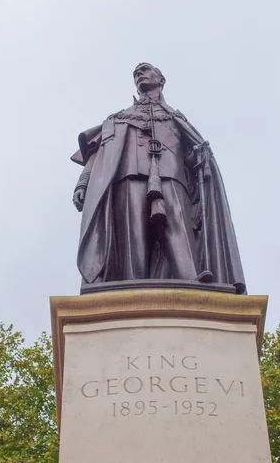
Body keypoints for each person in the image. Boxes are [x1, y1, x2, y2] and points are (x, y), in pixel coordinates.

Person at [71, 62, 245, 293]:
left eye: (145, 70)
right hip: (128, 175)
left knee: (178, 227)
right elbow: (98, 153)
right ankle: (133, 286)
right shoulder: (119, 118)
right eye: (136, 73)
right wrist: (83, 183)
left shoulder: (175, 117)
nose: (139, 74)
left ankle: (192, 280)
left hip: (171, 175)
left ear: (161, 80)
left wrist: (202, 158)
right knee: (134, 236)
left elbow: (194, 158)